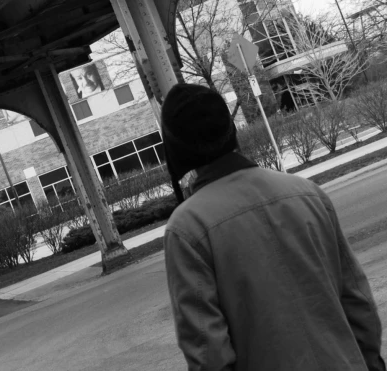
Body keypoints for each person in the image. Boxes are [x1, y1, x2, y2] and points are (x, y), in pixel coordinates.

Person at [161, 83, 385, 371]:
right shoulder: (307, 193)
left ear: (176, 149)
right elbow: (357, 300)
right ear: (231, 130)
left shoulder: (188, 230)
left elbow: (208, 353)